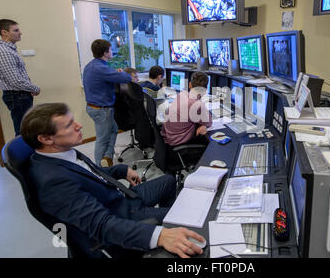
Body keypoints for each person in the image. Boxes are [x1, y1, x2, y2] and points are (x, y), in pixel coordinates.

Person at [20, 102, 205, 258]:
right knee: (188, 220)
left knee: (168, 181)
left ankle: (168, 220)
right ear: (45, 138)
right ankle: (168, 234)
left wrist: (120, 169)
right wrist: (160, 235)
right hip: (121, 216)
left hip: (122, 197)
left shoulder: (62, 152)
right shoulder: (53, 182)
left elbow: (91, 173)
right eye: (69, 125)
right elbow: (102, 225)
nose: (79, 125)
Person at [83, 39, 135, 167]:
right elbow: (127, 78)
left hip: (94, 107)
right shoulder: (101, 68)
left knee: (113, 130)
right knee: (102, 139)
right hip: (102, 110)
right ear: (106, 53)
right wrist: (121, 72)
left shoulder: (91, 65)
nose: (112, 51)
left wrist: (115, 74)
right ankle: (100, 170)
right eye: (111, 49)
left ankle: (107, 158)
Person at [0, 19, 40, 135]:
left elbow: (18, 75)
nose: (20, 33)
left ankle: (28, 153)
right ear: (4, 32)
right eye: (15, 30)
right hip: (17, 96)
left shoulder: (9, 49)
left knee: (27, 129)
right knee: (23, 132)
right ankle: (23, 153)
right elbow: (15, 80)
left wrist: (28, 88)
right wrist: (34, 88)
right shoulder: (4, 52)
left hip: (20, 94)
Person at [161, 71, 212, 147]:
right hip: (177, 141)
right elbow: (209, 122)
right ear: (205, 90)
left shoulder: (182, 94)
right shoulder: (197, 105)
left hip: (167, 136)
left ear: (190, 85)